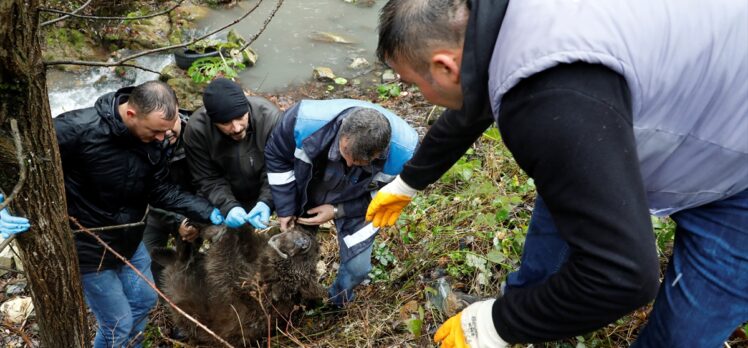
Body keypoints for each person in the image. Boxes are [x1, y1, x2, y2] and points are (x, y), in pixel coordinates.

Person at [369, 1, 748, 347]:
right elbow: (477, 95)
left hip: (737, 167)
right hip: (697, 95)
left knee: (681, 335)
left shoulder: (550, 101)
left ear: (444, 66)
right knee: (565, 179)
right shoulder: (503, 22)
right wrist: (409, 181)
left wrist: (498, 324)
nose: (418, 94)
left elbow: (624, 276)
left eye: (414, 85)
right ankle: (535, 305)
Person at [54, 80, 224, 348]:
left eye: (166, 131)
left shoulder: (153, 140)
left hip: (130, 238)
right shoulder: (76, 129)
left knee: (144, 300)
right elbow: (18, 159)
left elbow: (160, 190)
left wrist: (209, 211)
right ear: (131, 114)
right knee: (117, 322)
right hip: (88, 246)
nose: (162, 138)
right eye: (156, 131)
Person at [264, 99, 418, 307]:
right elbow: (276, 157)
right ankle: (301, 294)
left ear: (379, 153)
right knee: (297, 247)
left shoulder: (406, 156)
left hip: (360, 200)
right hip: (313, 185)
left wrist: (337, 210)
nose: (348, 164)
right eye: (345, 154)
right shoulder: (301, 121)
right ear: (342, 132)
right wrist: (285, 208)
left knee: (358, 269)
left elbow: (385, 202)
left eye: (359, 163)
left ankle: (336, 301)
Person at [183, 78, 282, 230]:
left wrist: (267, 201)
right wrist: (228, 206)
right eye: (225, 123)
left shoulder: (270, 119)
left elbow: (278, 167)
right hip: (225, 193)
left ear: (247, 108)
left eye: (240, 117)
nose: (236, 128)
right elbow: (207, 178)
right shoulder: (197, 130)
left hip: (265, 187)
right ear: (213, 121)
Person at [142, 111, 200, 289]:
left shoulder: (197, 137)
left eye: (170, 126)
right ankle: (163, 300)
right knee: (149, 258)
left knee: (188, 261)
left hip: (191, 213)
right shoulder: (141, 141)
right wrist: (176, 221)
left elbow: (208, 183)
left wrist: (196, 222)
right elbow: (142, 191)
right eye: (159, 129)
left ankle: (187, 295)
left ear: (178, 115)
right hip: (154, 211)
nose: (166, 133)